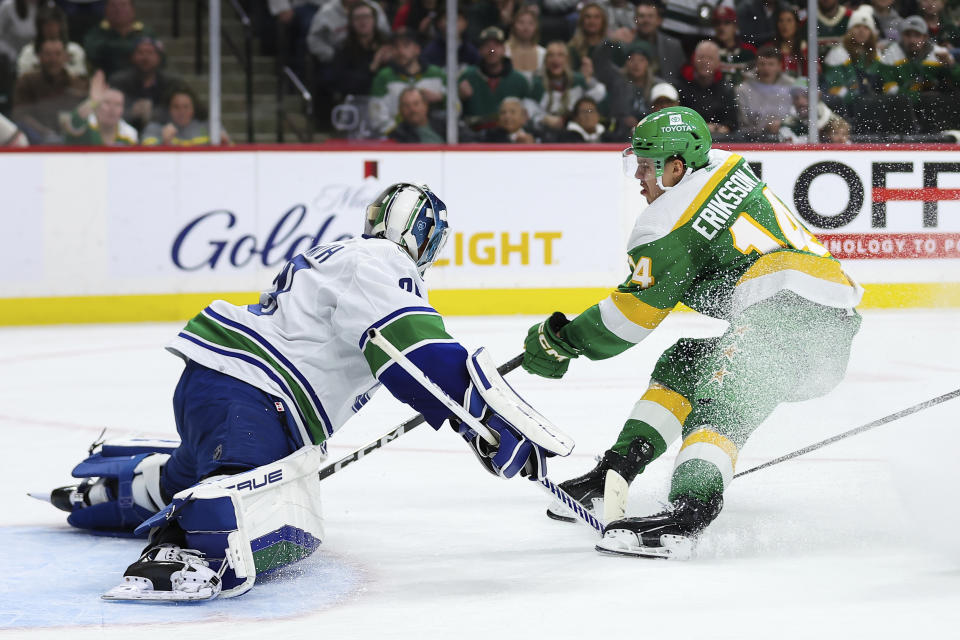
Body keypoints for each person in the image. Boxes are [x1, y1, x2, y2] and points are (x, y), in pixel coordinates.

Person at [44, 183, 570, 600]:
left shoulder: (339, 253)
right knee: (289, 528)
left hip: (217, 390)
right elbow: (413, 351)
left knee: (201, 465)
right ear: (424, 239)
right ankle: (180, 548)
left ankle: (123, 490)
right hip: (254, 400)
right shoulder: (383, 263)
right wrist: (484, 423)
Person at [522, 106, 862, 559]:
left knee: (722, 395)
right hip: (823, 320)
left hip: (794, 313)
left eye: (646, 166)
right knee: (684, 362)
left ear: (676, 168)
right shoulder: (721, 163)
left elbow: (631, 317)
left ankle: (688, 516)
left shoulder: (668, 223)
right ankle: (615, 473)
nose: (638, 177)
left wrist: (563, 341)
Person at [368, 29, 446, 135]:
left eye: (406, 46)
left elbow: (456, 109)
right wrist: (400, 135)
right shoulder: (383, 77)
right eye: (396, 47)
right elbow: (376, 116)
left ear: (417, 49)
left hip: (434, 139)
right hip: (397, 141)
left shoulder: (437, 74)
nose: (400, 51)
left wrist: (442, 98)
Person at [12, 37, 87, 143]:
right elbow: (20, 114)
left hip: (72, 139)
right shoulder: (27, 81)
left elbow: (85, 114)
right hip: (36, 140)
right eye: (48, 54)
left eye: (58, 54)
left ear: (65, 57)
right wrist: (45, 133)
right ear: (39, 56)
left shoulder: (78, 83)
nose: (53, 59)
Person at [458, 26, 530, 131]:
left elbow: (529, 113)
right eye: (486, 46)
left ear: (504, 49)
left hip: (509, 137)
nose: (492, 50)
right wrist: (459, 97)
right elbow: (453, 111)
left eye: (496, 45)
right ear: (479, 50)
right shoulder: (467, 77)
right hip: (475, 137)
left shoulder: (519, 81)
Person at [530, 40, 607, 136]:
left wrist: (588, 80)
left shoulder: (578, 80)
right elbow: (530, 109)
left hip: (577, 132)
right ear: (545, 60)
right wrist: (544, 118)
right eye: (551, 55)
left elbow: (599, 93)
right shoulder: (538, 84)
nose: (555, 59)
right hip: (546, 133)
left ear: (567, 60)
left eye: (560, 55)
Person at [107, 36, 181, 132]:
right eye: (140, 53)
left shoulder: (171, 83)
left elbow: (178, 113)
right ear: (132, 56)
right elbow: (107, 111)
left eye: (150, 53)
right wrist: (132, 111)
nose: (145, 57)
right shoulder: (118, 81)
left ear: (159, 58)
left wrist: (152, 113)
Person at [675, 39, 738, 136]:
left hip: (721, 139)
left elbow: (733, 123)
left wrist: (720, 128)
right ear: (694, 59)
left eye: (710, 58)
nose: (705, 62)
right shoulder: (680, 87)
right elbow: (677, 119)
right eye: (701, 57)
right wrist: (702, 127)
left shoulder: (726, 89)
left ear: (718, 63)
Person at [823, 5, 882, 104]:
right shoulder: (838, 53)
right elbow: (836, 89)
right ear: (849, 30)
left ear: (871, 33)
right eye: (857, 26)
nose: (861, 31)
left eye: (866, 28)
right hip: (847, 107)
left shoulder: (876, 54)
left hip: (873, 105)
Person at [734, 44, 795, 140]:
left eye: (771, 64)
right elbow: (743, 125)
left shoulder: (792, 86)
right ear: (757, 65)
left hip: (788, 137)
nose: (766, 68)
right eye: (762, 64)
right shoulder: (742, 90)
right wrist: (764, 128)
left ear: (779, 66)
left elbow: (797, 117)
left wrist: (783, 125)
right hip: (753, 140)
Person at [61, 69, 137, 145]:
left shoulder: (130, 134)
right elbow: (75, 122)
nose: (112, 109)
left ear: (123, 110)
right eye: (107, 102)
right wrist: (92, 101)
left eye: (118, 104)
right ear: (97, 106)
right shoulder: (85, 123)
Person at [83, 0, 154, 77]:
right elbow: (92, 53)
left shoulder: (146, 32)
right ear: (105, 9)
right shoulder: (96, 33)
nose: (118, 9)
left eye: (123, 5)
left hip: (140, 81)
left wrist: (109, 49)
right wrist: (133, 49)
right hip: (105, 80)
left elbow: (158, 58)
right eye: (113, 5)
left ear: (133, 9)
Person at [16, 3, 86, 78]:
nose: (50, 28)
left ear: (61, 26)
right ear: (39, 27)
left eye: (54, 24)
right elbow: (22, 79)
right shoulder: (28, 52)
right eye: (46, 25)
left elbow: (81, 79)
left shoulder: (75, 51)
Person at [141, 88, 230, 146]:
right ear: (169, 109)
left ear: (193, 109)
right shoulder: (154, 129)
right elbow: (144, 157)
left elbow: (231, 155)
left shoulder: (210, 128)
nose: (181, 112)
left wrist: (225, 143)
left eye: (186, 107)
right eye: (176, 107)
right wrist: (163, 142)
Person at [632, 0, 685, 82]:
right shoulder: (627, 42)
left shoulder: (674, 46)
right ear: (635, 20)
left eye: (650, 16)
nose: (646, 20)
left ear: (659, 20)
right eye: (642, 16)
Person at [713, 6, 756, 85]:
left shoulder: (749, 51)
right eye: (717, 23)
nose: (721, 27)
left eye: (727, 23)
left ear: (735, 27)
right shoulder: (708, 51)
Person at [505, 6, 545, 84]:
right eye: (521, 22)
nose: (526, 27)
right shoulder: (504, 51)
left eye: (531, 23)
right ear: (513, 26)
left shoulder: (543, 53)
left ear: (536, 27)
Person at [764, 6, 807, 78]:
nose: (784, 24)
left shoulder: (806, 49)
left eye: (789, 20)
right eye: (781, 21)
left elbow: (814, 76)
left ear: (797, 25)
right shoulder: (769, 49)